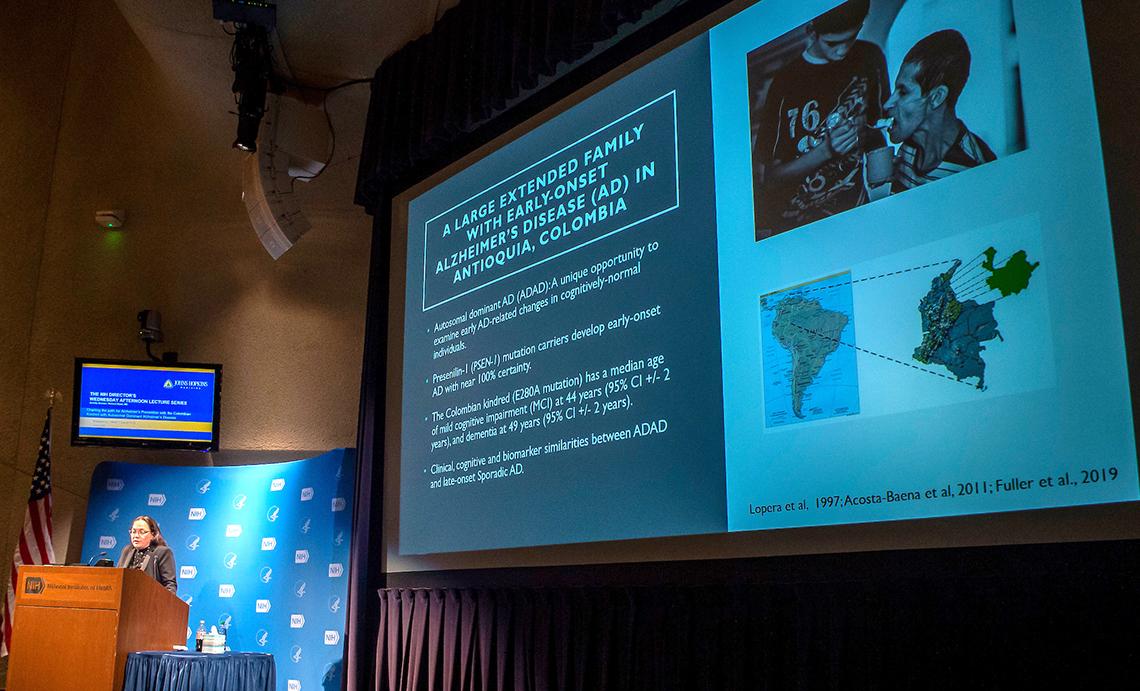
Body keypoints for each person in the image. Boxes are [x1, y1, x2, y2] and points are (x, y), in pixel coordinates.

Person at [754, 0, 888, 237]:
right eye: (832, 43)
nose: (842, 50)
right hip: (796, 228)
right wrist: (826, 151)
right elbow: (771, 179)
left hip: (855, 215)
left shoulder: (870, 57)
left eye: (852, 37)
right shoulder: (785, 82)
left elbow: (879, 129)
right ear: (811, 31)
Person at [884, 29, 996, 190]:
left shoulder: (976, 167)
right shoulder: (907, 150)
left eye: (903, 92)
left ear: (937, 97)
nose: (887, 104)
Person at [116, 515, 178, 594]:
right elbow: (117, 578)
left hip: (151, 599)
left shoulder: (162, 552)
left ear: (153, 534)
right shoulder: (127, 551)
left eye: (142, 532)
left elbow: (170, 585)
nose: (136, 536)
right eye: (133, 531)